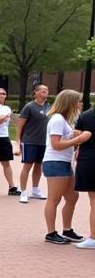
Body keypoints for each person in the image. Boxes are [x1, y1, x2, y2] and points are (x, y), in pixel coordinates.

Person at [42, 89, 90, 244]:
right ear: (69, 102)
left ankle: (67, 229)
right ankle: (50, 232)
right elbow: (56, 144)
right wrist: (78, 139)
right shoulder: (57, 119)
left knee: (72, 197)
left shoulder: (64, 120)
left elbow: (64, 139)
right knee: (54, 199)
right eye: (78, 101)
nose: (80, 104)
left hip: (64, 162)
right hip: (55, 162)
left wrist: (73, 136)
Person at [14, 83, 51, 202]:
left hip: (43, 142)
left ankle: (35, 189)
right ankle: (23, 192)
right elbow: (19, 125)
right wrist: (17, 142)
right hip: (29, 141)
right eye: (43, 90)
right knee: (27, 165)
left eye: (47, 90)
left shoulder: (49, 107)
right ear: (36, 92)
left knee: (39, 165)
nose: (46, 92)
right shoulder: (29, 107)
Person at [72, 101, 95, 249]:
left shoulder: (86, 116)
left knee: (94, 199)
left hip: (89, 159)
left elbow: (76, 134)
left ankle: (93, 237)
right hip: (89, 159)